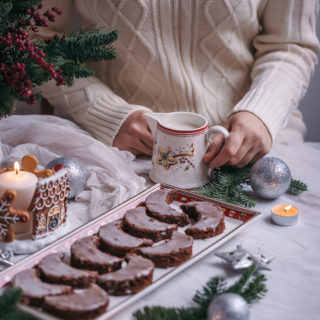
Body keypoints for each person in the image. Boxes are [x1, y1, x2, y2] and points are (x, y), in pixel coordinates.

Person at [39, 0, 319, 168]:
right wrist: (104, 112)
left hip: (253, 151)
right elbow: (34, 38)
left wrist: (262, 111)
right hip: (115, 148)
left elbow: (291, 43)